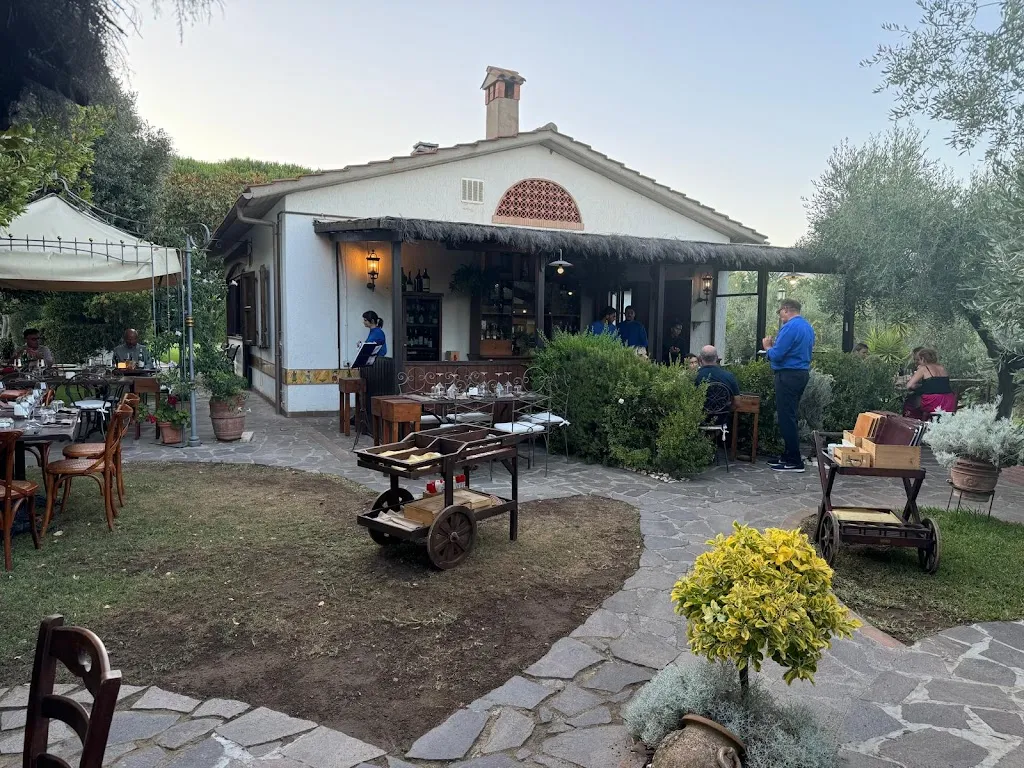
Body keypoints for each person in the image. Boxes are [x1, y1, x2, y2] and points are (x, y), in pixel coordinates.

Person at [762, 299, 815, 472]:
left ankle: (794, 460)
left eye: (780, 312)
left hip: (787, 374)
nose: (780, 316)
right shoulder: (807, 327)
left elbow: (777, 354)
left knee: (786, 417)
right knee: (789, 414)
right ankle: (787, 454)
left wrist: (768, 347)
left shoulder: (790, 327)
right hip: (801, 373)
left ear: (786, 310)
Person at [903, 348, 957, 420]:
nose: (918, 362)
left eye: (918, 359)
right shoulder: (942, 368)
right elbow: (937, 384)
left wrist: (917, 386)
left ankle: (915, 423)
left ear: (922, 358)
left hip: (933, 402)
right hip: (948, 401)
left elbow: (909, 385)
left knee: (910, 403)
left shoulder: (924, 368)